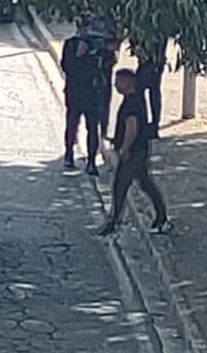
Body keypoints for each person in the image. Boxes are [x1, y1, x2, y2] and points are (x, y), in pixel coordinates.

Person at [97, 69, 171, 236]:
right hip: (138, 150)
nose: (115, 85)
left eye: (119, 81)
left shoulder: (131, 103)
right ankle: (161, 218)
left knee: (120, 186)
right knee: (145, 184)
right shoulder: (133, 100)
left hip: (133, 152)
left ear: (128, 82)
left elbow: (132, 127)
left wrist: (124, 148)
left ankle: (113, 222)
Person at [61, 14, 102, 175]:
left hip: (92, 91)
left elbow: (105, 65)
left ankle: (91, 161)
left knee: (92, 127)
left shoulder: (97, 45)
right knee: (72, 124)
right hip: (74, 91)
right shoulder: (70, 44)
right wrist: (78, 54)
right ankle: (69, 153)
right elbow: (66, 66)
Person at [136, 40, 168, 138]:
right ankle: (150, 124)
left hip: (153, 63)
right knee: (152, 93)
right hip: (152, 62)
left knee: (148, 92)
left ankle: (148, 125)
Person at [95, 35, 119, 140]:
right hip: (100, 82)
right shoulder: (104, 53)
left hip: (105, 80)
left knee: (104, 104)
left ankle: (103, 131)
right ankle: (100, 130)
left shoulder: (109, 53)